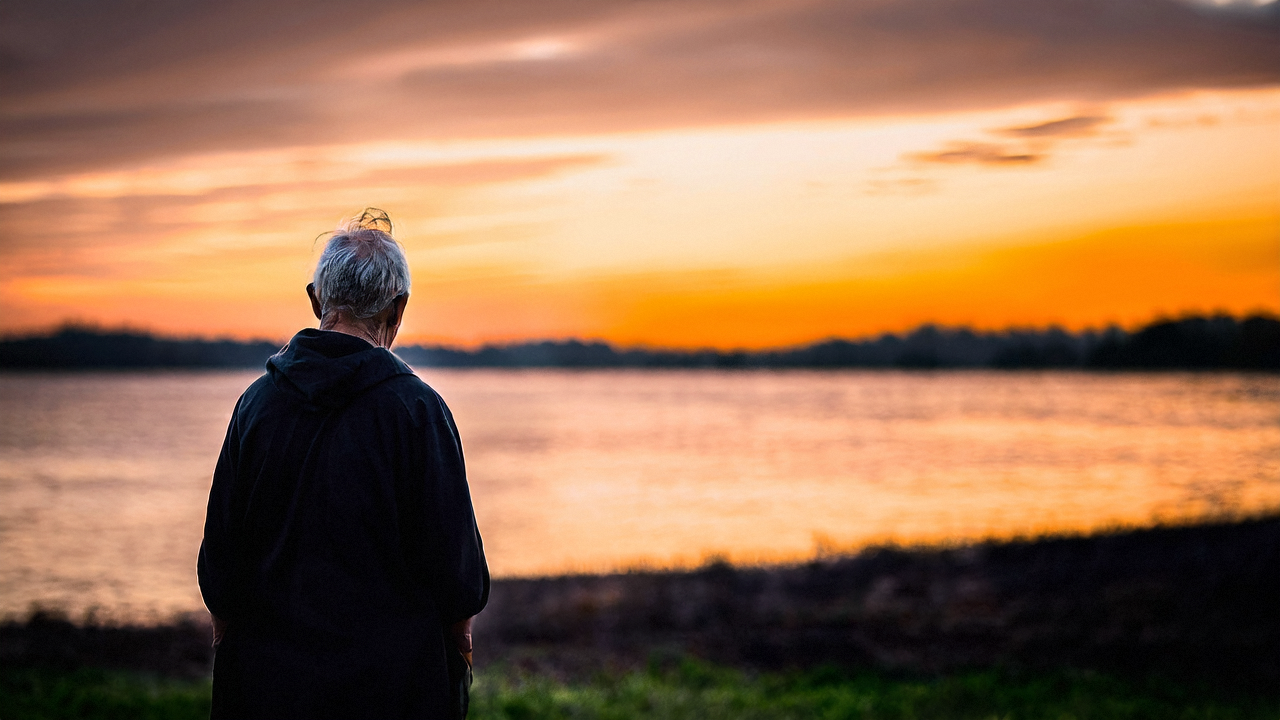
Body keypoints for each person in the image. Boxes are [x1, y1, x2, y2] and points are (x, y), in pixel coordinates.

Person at [198, 209, 489, 719]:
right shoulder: (417, 412)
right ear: (398, 310)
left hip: (269, 690)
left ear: (315, 300)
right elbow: (457, 577)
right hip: (392, 692)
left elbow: (220, 566)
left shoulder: (256, 405)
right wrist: (459, 654)